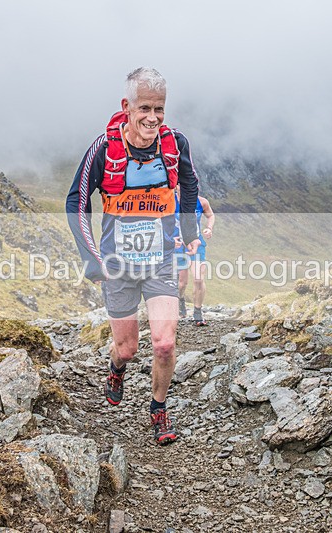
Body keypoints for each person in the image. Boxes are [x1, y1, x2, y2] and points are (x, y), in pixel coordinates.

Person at [66, 67, 200, 445]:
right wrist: (92, 258)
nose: (153, 118)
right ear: (126, 107)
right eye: (144, 108)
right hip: (118, 266)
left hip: (161, 260)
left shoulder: (175, 144)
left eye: (159, 109)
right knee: (128, 347)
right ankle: (116, 366)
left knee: (164, 343)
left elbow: (190, 184)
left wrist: (188, 233)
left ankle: (158, 409)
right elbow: (75, 201)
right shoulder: (104, 149)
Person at [175, 190, 214, 325]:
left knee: (198, 278)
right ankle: (180, 300)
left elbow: (210, 215)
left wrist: (209, 228)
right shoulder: (169, 201)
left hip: (196, 243)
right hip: (178, 246)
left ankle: (197, 312)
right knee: (181, 283)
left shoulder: (201, 202)